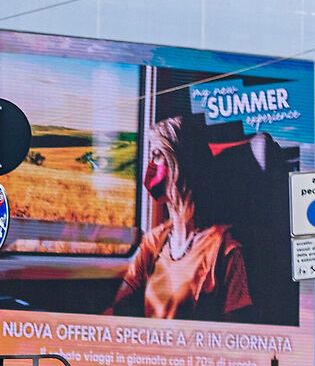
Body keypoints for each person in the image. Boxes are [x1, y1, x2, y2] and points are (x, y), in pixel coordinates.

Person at [108, 113, 256, 324]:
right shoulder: (154, 242)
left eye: (158, 156)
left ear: (181, 164)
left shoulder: (223, 251)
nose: (151, 165)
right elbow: (121, 306)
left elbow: (235, 335)